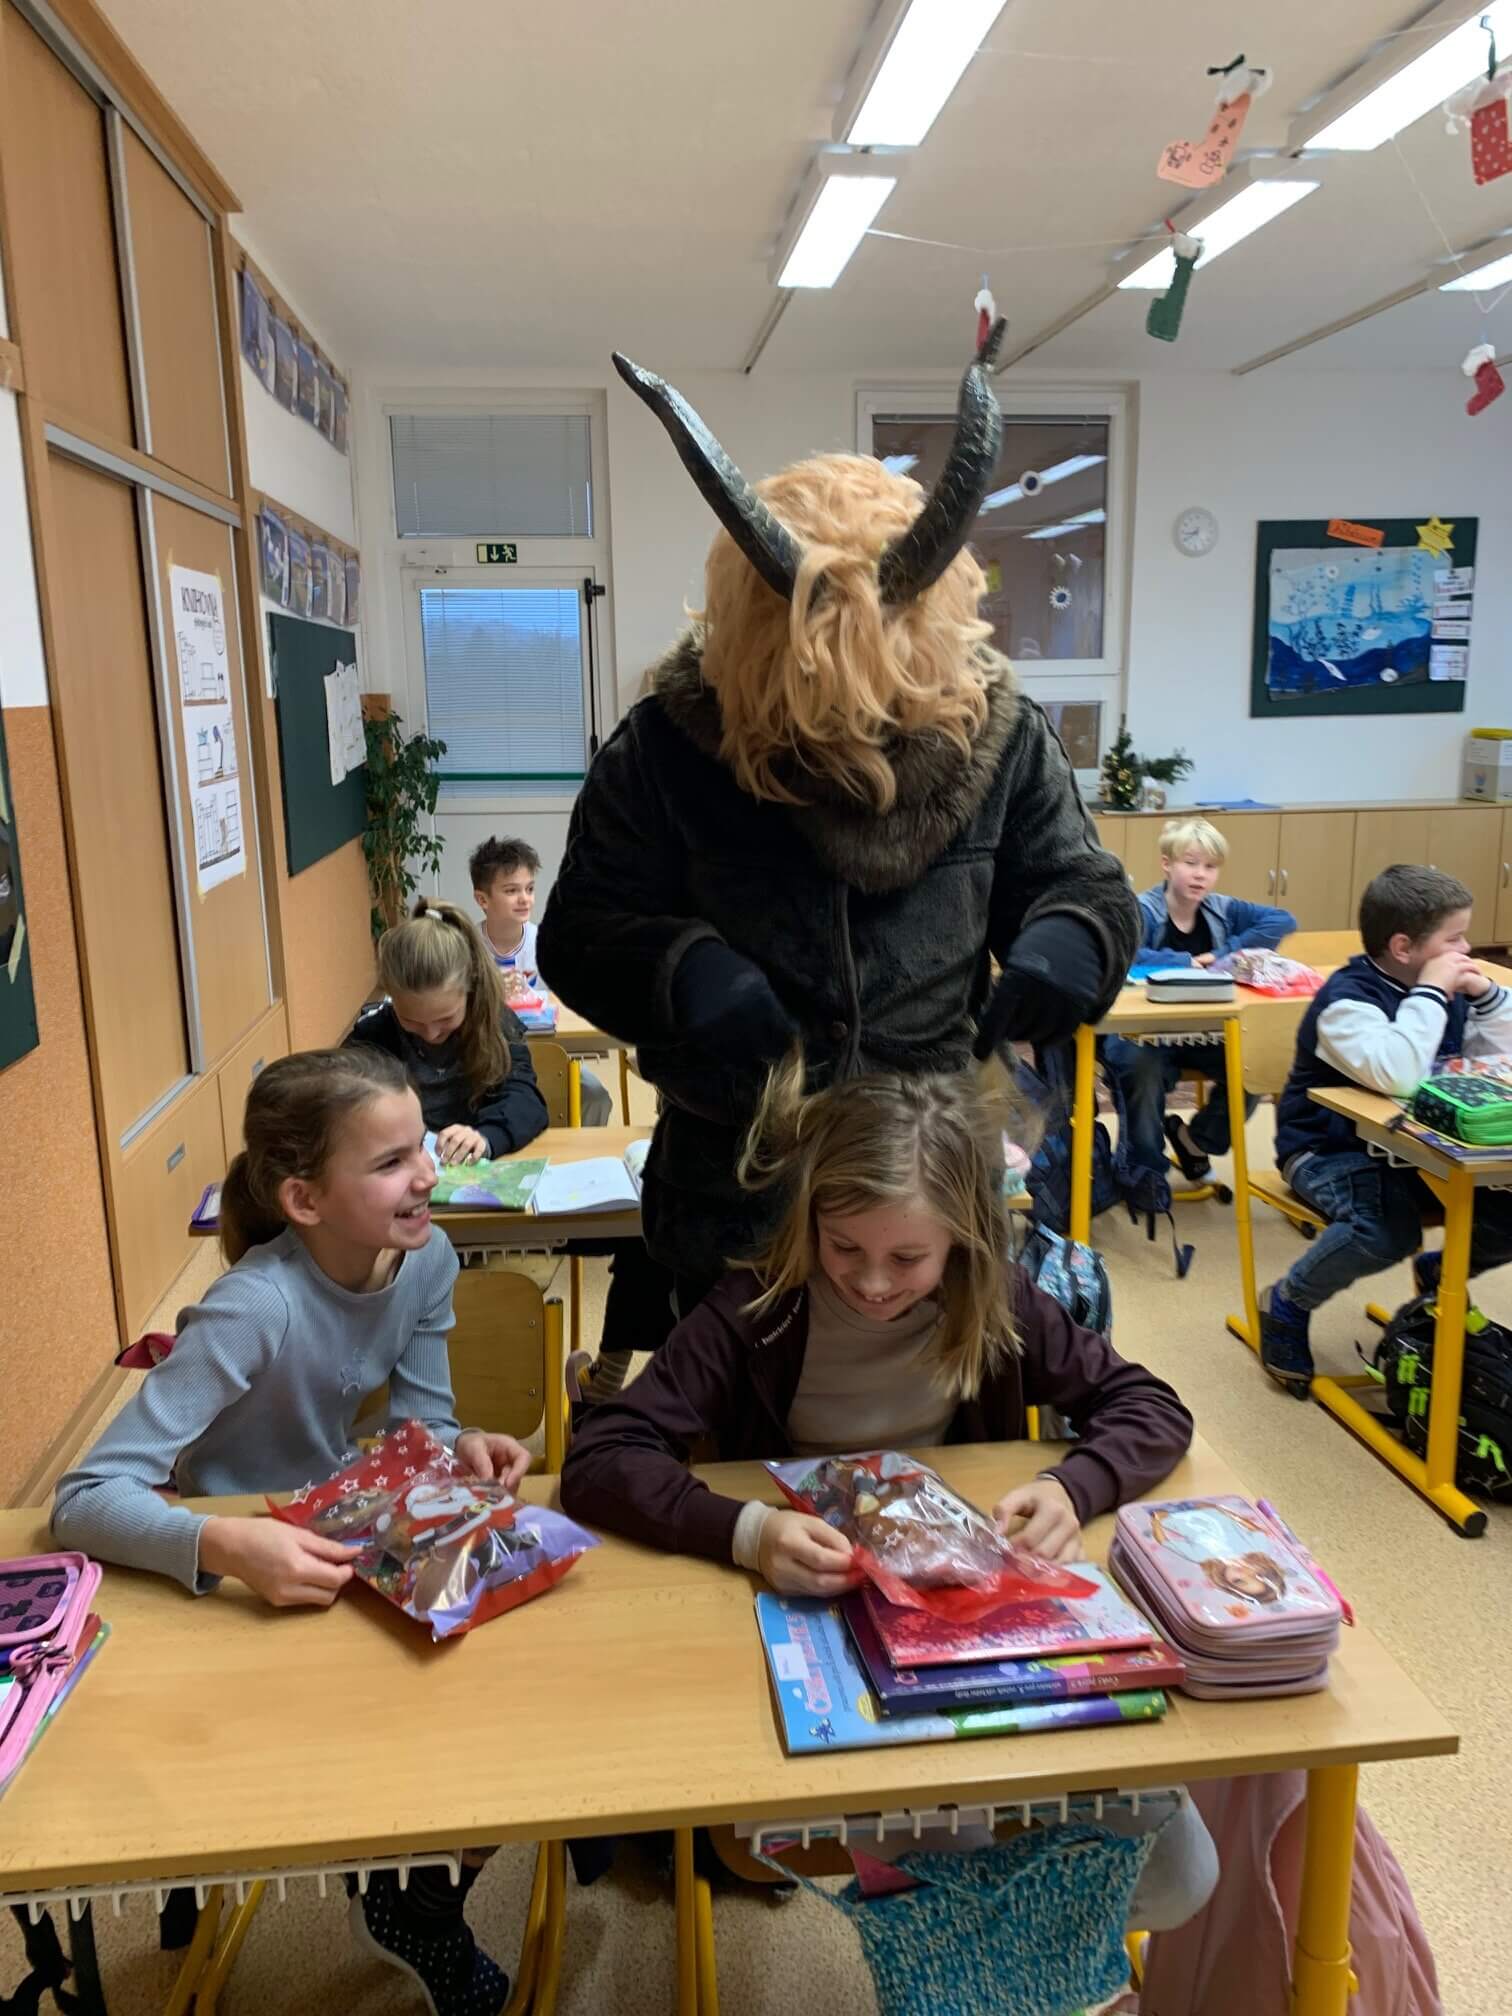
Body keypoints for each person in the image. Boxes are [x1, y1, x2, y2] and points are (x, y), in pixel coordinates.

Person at [538, 328, 1139, 1315]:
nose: (854, 725)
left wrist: (1071, 940)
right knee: (728, 1411)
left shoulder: (997, 738)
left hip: (927, 1199)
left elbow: (1084, 884)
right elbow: (579, 932)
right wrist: (684, 970)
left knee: (945, 1409)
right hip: (736, 1198)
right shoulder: (668, 748)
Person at [51, 1048, 529, 2015]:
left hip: (334, 1541)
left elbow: (423, 1424)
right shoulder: (254, 1306)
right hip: (240, 1583)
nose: (427, 1175)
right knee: (419, 1740)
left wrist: (460, 1445)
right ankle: (400, 1899)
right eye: (390, 1162)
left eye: (422, 1148)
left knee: (508, 1720)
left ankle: (412, 1901)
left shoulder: (428, 1258)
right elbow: (85, 1495)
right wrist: (225, 1547)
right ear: (304, 1199)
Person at [560, 1058, 1193, 1583]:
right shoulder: (755, 1306)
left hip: (954, 1568)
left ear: (958, 1238)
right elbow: (599, 1457)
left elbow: (1151, 1407)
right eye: (844, 1247)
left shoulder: (998, 1299)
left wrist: (1072, 1488)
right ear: (811, 1217)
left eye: (907, 1258)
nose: (872, 1283)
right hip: (805, 1569)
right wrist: (747, 1532)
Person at [1260, 864, 1512, 1394]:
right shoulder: (1347, 1001)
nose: (1467, 948)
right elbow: (1398, 1073)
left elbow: (1500, 1058)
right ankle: (1287, 1301)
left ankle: (1445, 1274)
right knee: (1386, 1230)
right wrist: (1432, 992)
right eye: (1454, 938)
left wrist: (1487, 998)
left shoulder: (1449, 989)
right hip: (1329, 1148)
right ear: (1403, 947)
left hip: (1421, 1150)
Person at [1103, 817, 1295, 1184]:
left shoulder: (1221, 908)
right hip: (1143, 1033)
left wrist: (1223, 953)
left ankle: (1196, 1140)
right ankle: (1144, 1172)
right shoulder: (1142, 909)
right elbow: (1125, 953)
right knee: (1142, 1072)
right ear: (1167, 864)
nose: (1200, 875)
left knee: (1254, 1062)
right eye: (1190, 863)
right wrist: (1185, 962)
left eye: (1210, 867)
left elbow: (1282, 920)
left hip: (1203, 1032)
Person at [348, 897, 549, 1164]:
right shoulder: (373, 1038)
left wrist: (486, 1137)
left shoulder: (497, 1025)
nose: (431, 1033)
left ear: (469, 988)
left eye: (445, 1018)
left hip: (477, 1167)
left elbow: (525, 1100)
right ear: (391, 998)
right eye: (411, 1021)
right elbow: (339, 1107)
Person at [470, 836, 613, 1127]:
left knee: (596, 1096)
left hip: (547, 1051)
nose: (525, 899)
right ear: (483, 899)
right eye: (511, 891)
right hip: (488, 1059)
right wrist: (491, 992)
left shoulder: (546, 942)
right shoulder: (466, 947)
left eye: (530, 888)